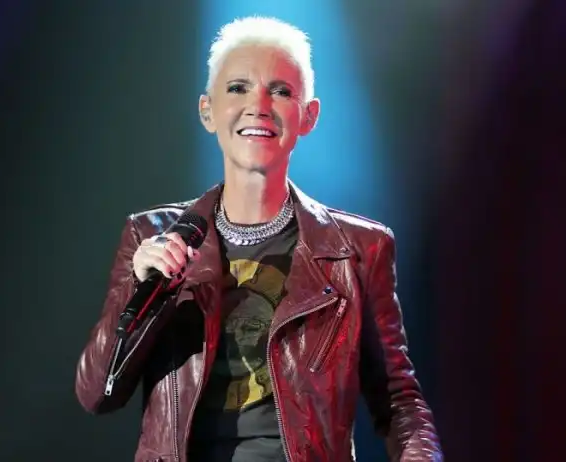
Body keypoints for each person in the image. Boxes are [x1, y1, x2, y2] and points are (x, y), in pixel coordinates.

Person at [75, 15, 443, 462]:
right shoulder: (151, 236)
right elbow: (97, 394)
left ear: (309, 116)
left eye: (281, 91)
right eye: (238, 88)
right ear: (207, 110)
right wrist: (140, 288)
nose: (259, 105)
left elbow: (399, 403)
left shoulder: (358, 250)